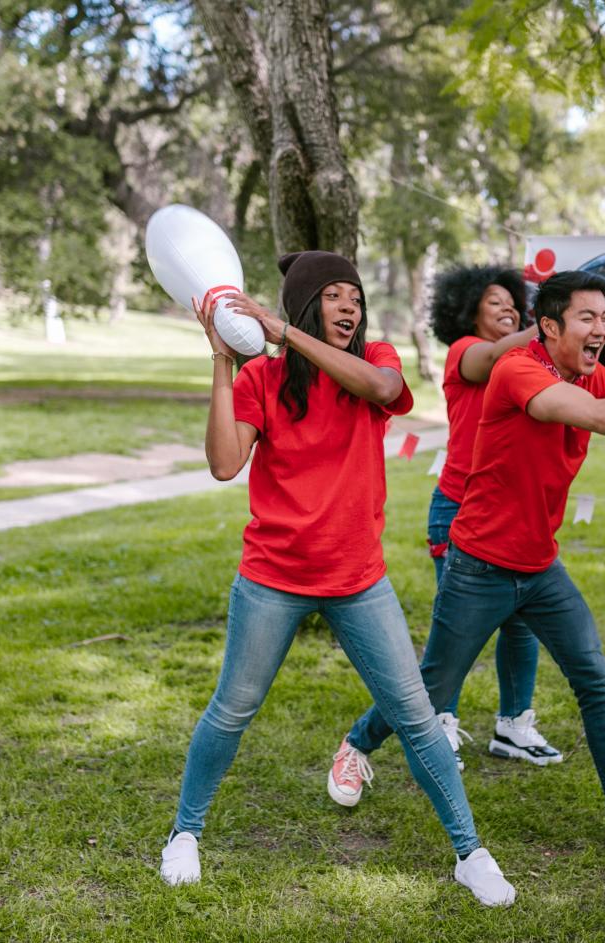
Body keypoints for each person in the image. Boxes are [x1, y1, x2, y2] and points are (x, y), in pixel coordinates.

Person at [327, 269, 605, 872]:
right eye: (586, 318)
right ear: (548, 327)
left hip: (542, 567)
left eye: (604, 318)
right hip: (480, 565)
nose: (601, 329)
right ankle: (357, 746)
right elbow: (598, 419)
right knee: (434, 689)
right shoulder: (518, 368)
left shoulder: (598, 375)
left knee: (596, 684)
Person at [158, 251, 516, 907]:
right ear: (304, 302)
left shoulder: (376, 360)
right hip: (273, 576)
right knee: (232, 708)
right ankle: (185, 833)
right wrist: (223, 362)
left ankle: (472, 852)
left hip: (357, 579)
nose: (349, 306)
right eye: (332, 295)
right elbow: (223, 463)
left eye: (354, 295)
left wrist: (283, 332)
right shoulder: (262, 380)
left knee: (415, 715)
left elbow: (384, 393)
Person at [426, 265, 563, 769]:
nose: (507, 307)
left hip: (515, 515)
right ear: (467, 311)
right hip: (459, 509)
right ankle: (437, 726)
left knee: (521, 624)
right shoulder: (466, 352)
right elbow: (492, 357)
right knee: (457, 630)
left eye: (513, 301)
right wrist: (551, 322)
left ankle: (513, 727)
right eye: (493, 301)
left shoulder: (529, 361)